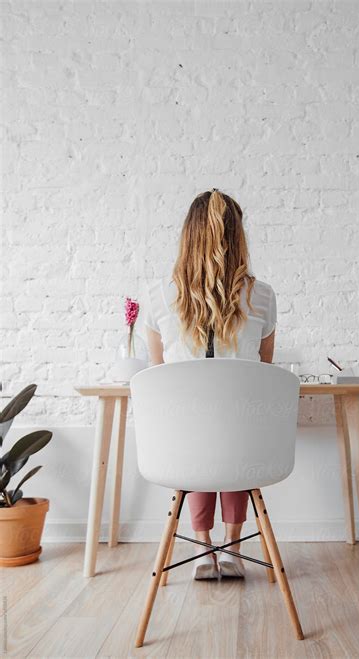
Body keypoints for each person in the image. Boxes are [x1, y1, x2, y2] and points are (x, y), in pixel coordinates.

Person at [144, 188, 277, 580]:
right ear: (238, 238)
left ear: (189, 235)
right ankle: (233, 550)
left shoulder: (157, 296)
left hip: (180, 448)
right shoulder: (263, 297)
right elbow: (263, 377)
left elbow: (159, 380)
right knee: (236, 437)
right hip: (244, 445)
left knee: (197, 439)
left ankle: (203, 551)